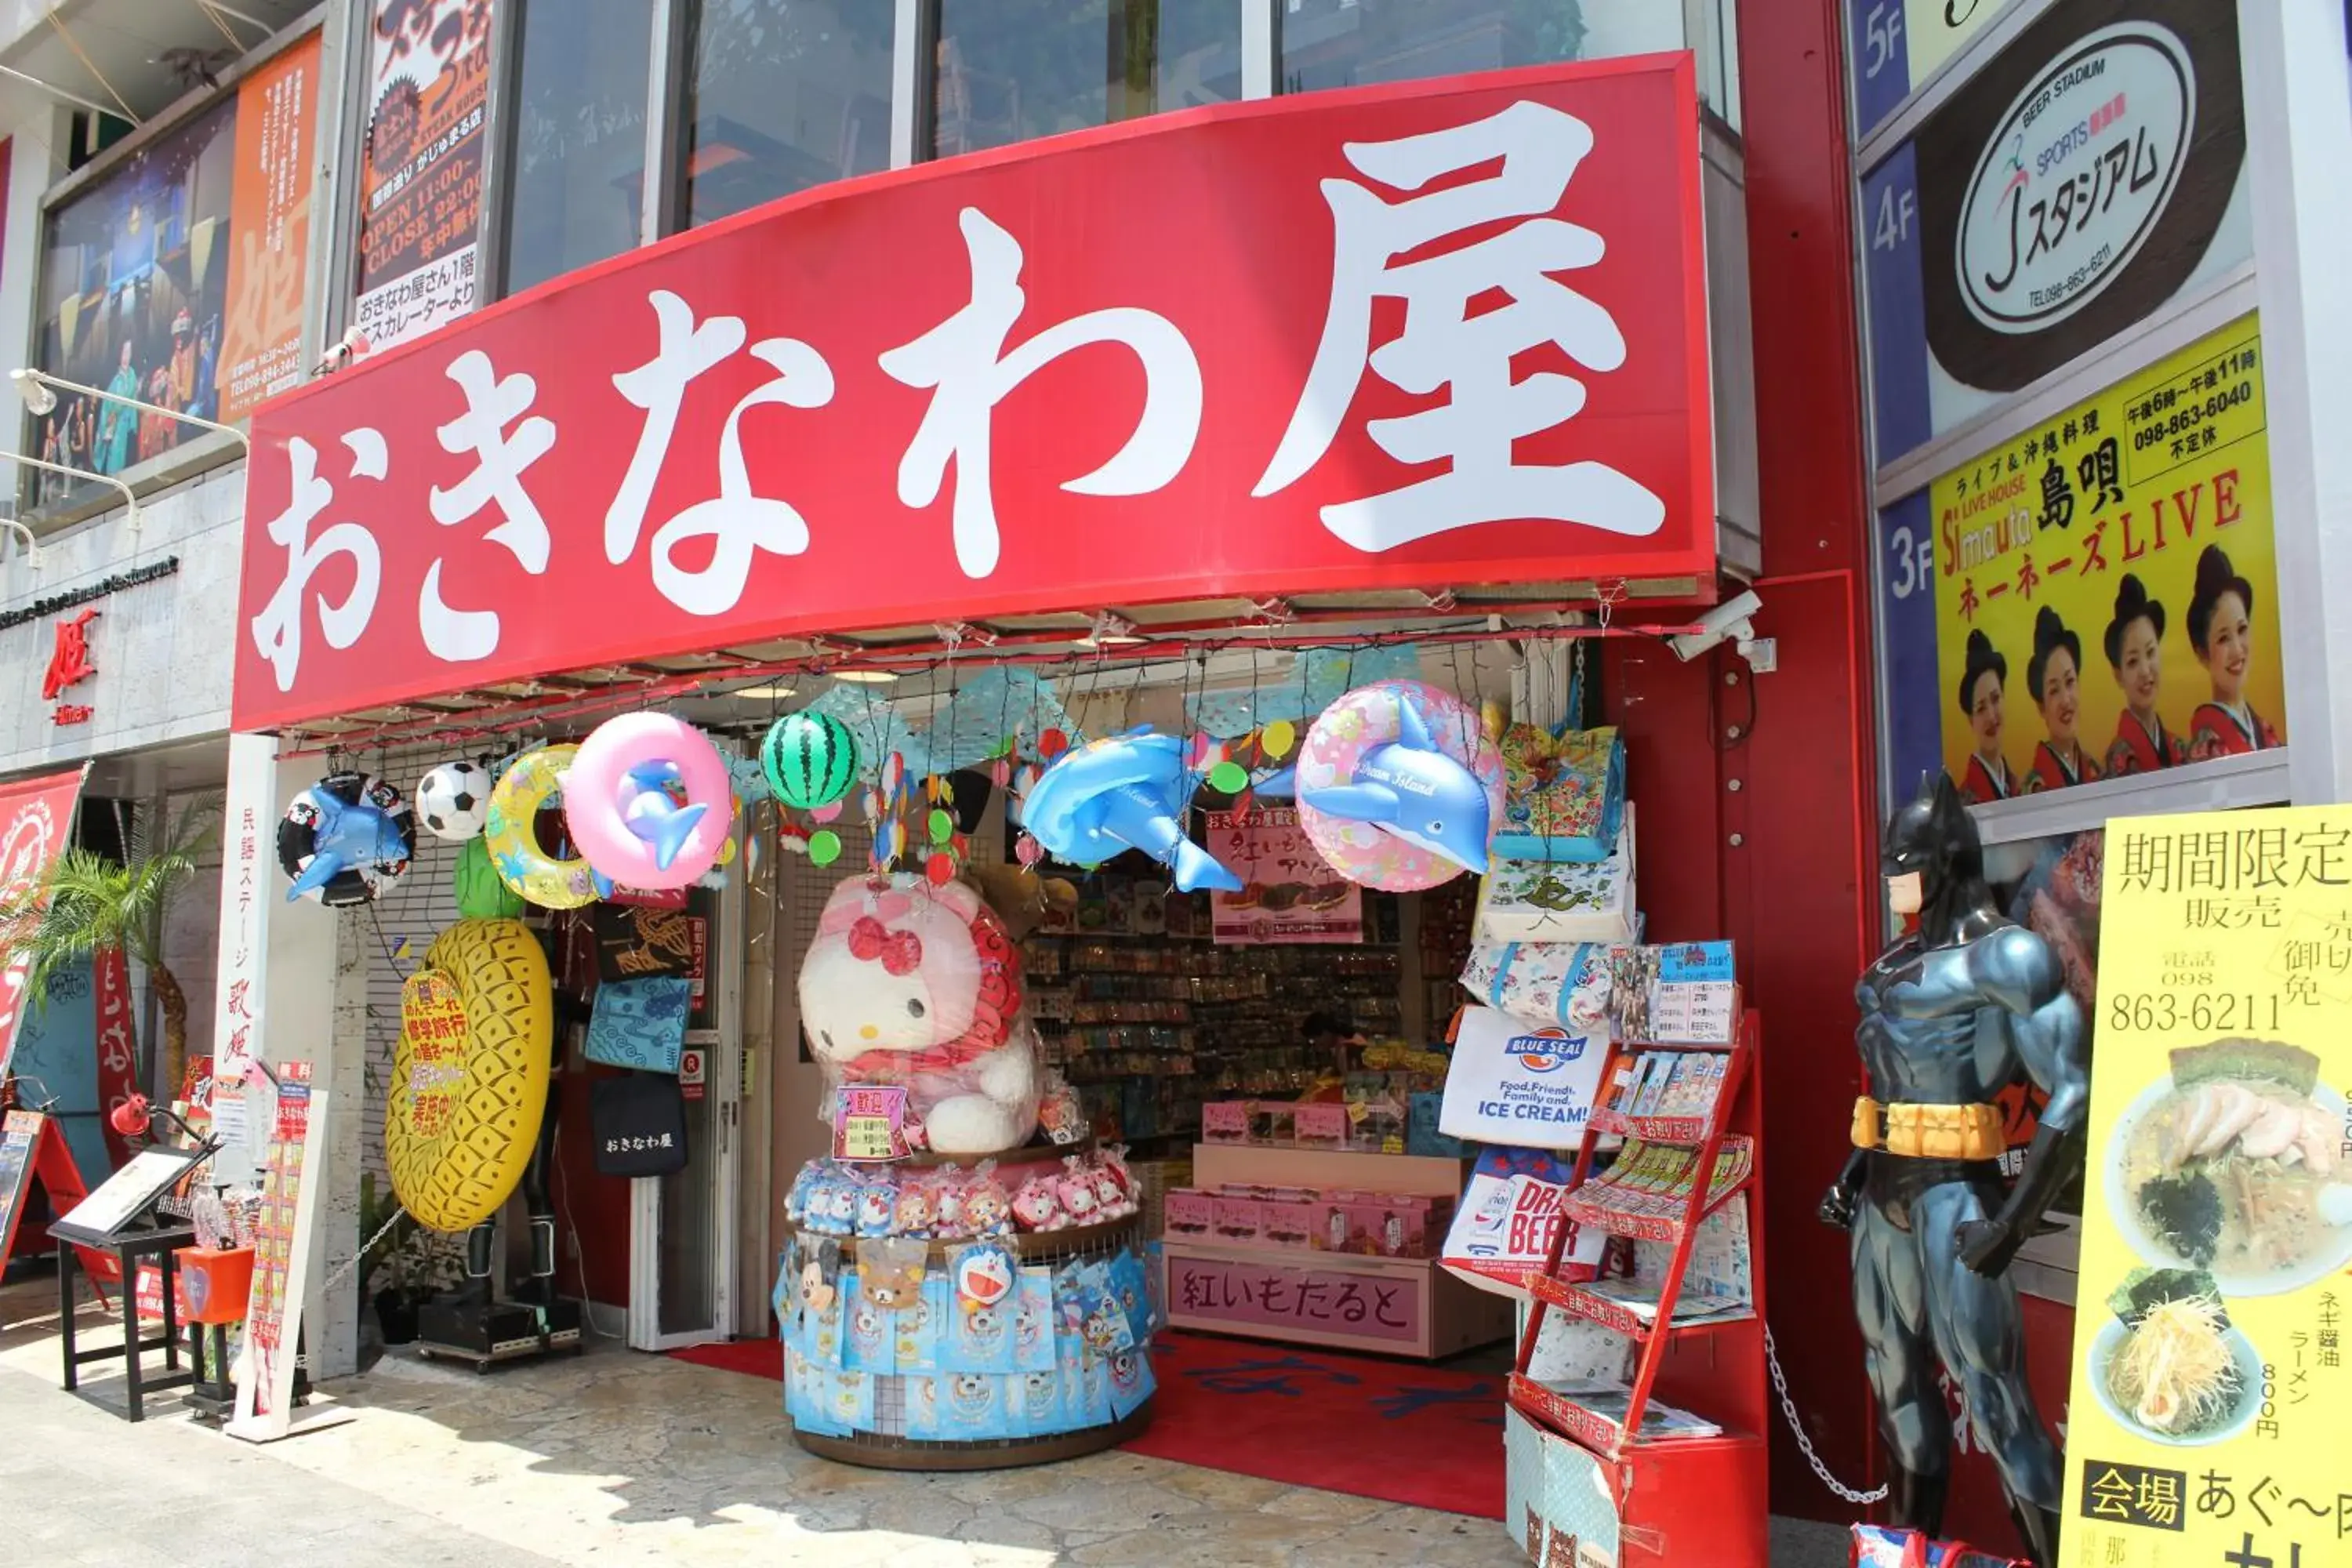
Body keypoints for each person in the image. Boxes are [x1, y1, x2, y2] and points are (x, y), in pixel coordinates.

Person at [1821, 774, 2085, 1566]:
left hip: (1957, 1198)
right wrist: (1854, 1169)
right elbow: (1895, 1086)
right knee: (1895, 1389)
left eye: (1902, 859)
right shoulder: (1899, 955)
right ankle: (1906, 1557)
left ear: (1943, 859)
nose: (1889, 874)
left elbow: (2073, 1088)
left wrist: (2011, 1223)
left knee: (1999, 1400)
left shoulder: (2005, 955)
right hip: (1884, 1195)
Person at [2184, 545, 2279, 759]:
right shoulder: (2205, 747)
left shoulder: (2264, 730)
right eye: (2223, 638)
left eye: (2242, 629)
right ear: (2202, 653)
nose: (2237, 650)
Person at [2100, 574, 2187, 775]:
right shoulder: (2119, 758)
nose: (2146, 671)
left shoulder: (2178, 746)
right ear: (2118, 675)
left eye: (2150, 653)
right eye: (2132, 662)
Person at [2021, 607, 2098, 792]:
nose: (2065, 700)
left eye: (2070, 682)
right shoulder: (2034, 787)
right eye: (2054, 690)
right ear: (2042, 707)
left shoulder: (2094, 770)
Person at [1953, 630, 2013, 804]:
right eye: (1981, 709)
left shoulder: (2016, 785)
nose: (1992, 716)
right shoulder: (1965, 800)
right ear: (1971, 721)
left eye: (1995, 699)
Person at [96, 340, 140, 473]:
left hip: (129, 424)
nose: (126, 357)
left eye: (129, 353)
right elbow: (106, 407)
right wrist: (112, 415)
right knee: (115, 457)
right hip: (117, 425)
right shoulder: (115, 381)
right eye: (124, 353)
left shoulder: (133, 377)